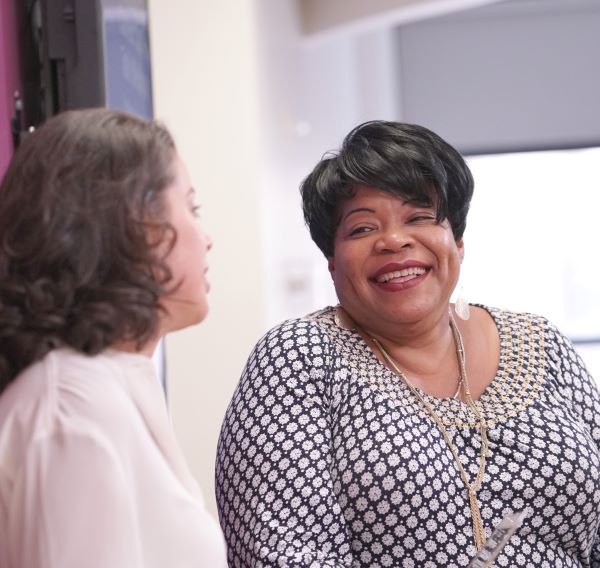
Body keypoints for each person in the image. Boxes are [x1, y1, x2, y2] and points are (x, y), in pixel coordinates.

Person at [216, 121, 600, 567]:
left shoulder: (540, 344)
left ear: (456, 242)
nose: (394, 240)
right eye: (362, 229)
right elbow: (285, 554)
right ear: (331, 260)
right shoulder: (299, 357)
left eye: (419, 217)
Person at [0, 108, 226, 567]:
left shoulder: (106, 386)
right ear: (131, 225)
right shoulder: (70, 408)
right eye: (192, 207)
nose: (206, 238)